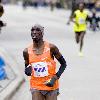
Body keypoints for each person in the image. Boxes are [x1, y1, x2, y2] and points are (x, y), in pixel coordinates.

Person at [23, 24, 67, 100]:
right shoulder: (26, 51)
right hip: (36, 86)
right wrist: (27, 71)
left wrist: (55, 77)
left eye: (37, 30)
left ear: (42, 33)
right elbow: (27, 69)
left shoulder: (51, 48)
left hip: (51, 85)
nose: (34, 32)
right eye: (32, 30)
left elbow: (63, 64)